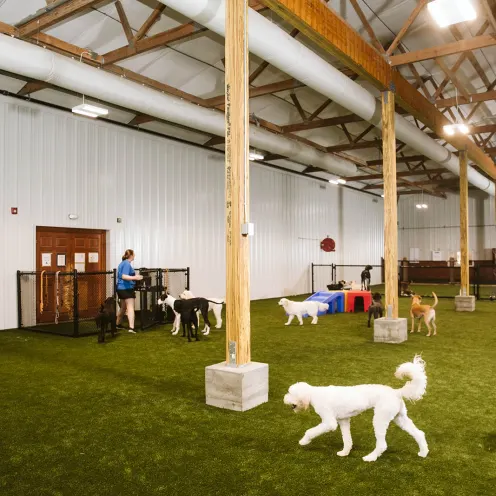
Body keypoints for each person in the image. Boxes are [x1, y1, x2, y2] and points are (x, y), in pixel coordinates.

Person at [116, 249, 142, 333]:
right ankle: (131, 328)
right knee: (130, 307)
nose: (135, 255)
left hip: (120, 288)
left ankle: (117, 324)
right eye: (134, 254)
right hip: (126, 288)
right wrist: (135, 277)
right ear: (131, 255)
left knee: (123, 308)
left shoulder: (122, 263)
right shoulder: (127, 264)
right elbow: (124, 276)